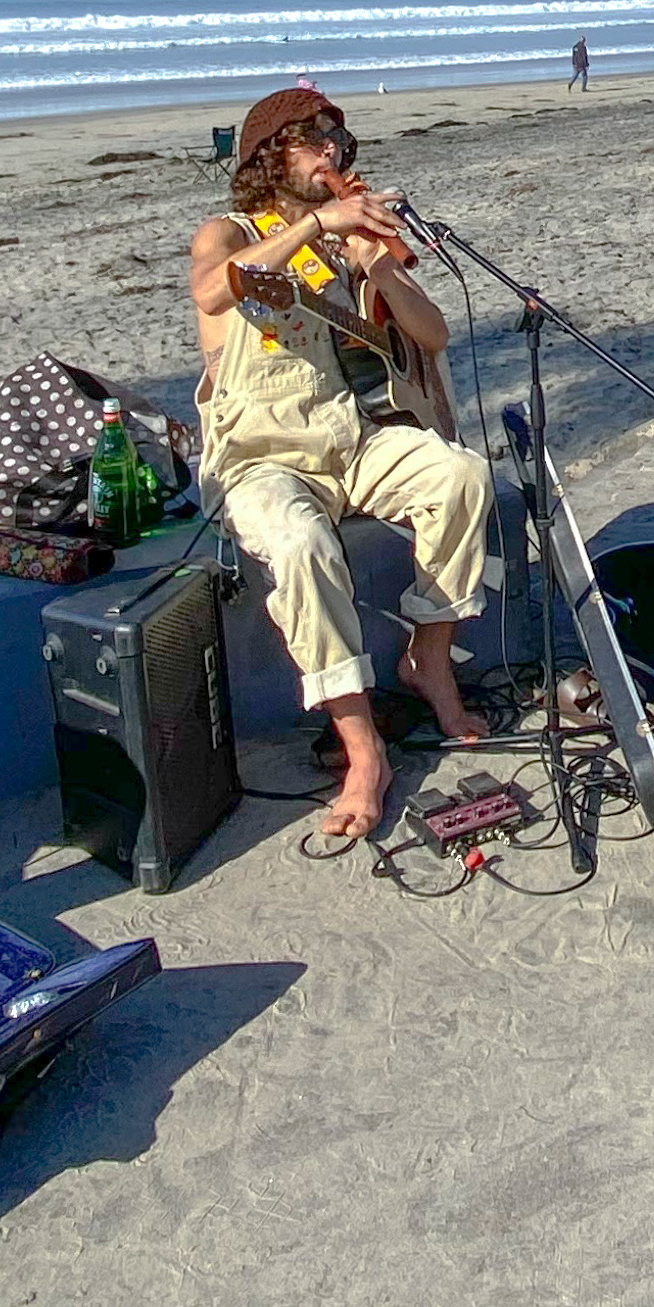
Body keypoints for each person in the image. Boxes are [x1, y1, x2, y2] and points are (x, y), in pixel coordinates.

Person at [188, 88, 493, 840]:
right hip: (259, 456)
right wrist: (316, 223)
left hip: (344, 438)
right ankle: (362, 750)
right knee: (300, 545)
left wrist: (378, 269)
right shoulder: (227, 233)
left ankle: (429, 659)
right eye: (312, 142)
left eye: (337, 143)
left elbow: (433, 335)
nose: (331, 156)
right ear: (270, 156)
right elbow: (211, 290)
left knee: (460, 476)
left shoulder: (340, 248)